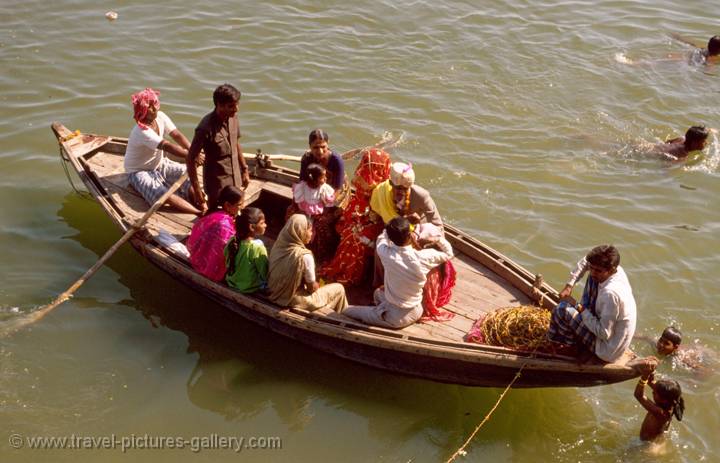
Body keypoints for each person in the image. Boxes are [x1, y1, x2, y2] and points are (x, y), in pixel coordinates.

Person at [369, 161, 455, 321]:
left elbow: (438, 225)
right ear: (390, 184)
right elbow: (377, 215)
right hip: (394, 233)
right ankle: (381, 286)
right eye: (398, 188)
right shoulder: (382, 191)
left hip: (419, 238)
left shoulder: (421, 195)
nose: (401, 192)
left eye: (405, 189)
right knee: (378, 250)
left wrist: (421, 238)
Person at [344, 216, 454, 329]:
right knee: (377, 293)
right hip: (416, 309)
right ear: (410, 235)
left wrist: (391, 229)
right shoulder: (425, 256)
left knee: (347, 311)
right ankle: (379, 310)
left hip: (396, 318)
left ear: (391, 239)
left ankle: (377, 313)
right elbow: (449, 253)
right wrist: (438, 238)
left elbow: (382, 237)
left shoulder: (384, 252)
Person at [549, 245, 637, 363]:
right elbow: (586, 261)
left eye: (598, 270)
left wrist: (578, 307)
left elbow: (604, 333)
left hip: (606, 349)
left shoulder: (610, 294)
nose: (593, 272)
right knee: (592, 277)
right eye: (592, 268)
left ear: (611, 270)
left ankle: (565, 345)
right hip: (609, 333)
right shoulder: (615, 270)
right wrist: (569, 285)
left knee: (561, 310)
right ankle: (574, 334)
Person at [124, 88, 202, 214]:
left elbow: (176, 135)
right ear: (142, 110)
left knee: (187, 174)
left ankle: (201, 203)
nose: (155, 108)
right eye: (150, 107)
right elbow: (166, 145)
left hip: (159, 164)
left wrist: (193, 152)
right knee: (162, 193)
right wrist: (191, 156)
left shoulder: (160, 116)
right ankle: (198, 213)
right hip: (138, 171)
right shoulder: (141, 131)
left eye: (155, 104)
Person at [320, 148, 391, 285]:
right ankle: (346, 270)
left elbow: (382, 214)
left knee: (355, 239)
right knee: (350, 234)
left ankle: (353, 274)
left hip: (375, 222)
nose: (366, 167)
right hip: (358, 214)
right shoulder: (365, 176)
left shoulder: (385, 188)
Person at [187, 84, 250, 213]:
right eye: (231, 106)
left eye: (237, 104)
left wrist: (244, 169)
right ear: (219, 105)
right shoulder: (205, 128)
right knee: (216, 215)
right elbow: (190, 159)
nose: (236, 109)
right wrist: (198, 191)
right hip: (217, 184)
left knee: (235, 211)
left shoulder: (233, 118)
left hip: (235, 178)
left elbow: (236, 143)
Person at [266, 214, 348, 312]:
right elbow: (311, 288)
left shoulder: (278, 246)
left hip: (273, 292)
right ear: (301, 232)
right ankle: (342, 316)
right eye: (310, 230)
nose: (312, 234)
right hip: (293, 300)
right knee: (339, 288)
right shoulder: (305, 256)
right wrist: (316, 285)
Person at [295, 130, 347, 265]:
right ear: (309, 146)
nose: (320, 151)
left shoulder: (336, 160)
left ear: (328, 145)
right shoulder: (306, 158)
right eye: (315, 147)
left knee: (321, 222)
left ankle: (323, 256)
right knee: (293, 214)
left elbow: (338, 189)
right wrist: (303, 203)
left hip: (333, 197)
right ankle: (301, 248)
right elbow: (302, 182)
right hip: (312, 193)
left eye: (323, 146)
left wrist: (323, 205)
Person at [187, 185, 243, 282]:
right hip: (208, 268)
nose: (242, 207)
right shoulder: (225, 226)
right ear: (227, 205)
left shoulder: (215, 213)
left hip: (195, 256)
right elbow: (223, 253)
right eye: (239, 205)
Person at [634, 361, 685, 441]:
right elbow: (651, 382)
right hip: (653, 439)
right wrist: (651, 371)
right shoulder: (671, 400)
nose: (652, 392)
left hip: (647, 445)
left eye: (654, 393)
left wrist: (644, 377)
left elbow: (638, 395)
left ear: (664, 399)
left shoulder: (661, 413)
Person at [225, 207, 268, 293]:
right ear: (252, 227)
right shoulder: (258, 247)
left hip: (231, 282)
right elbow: (265, 273)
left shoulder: (232, 240)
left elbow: (226, 261)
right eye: (262, 223)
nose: (265, 225)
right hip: (249, 287)